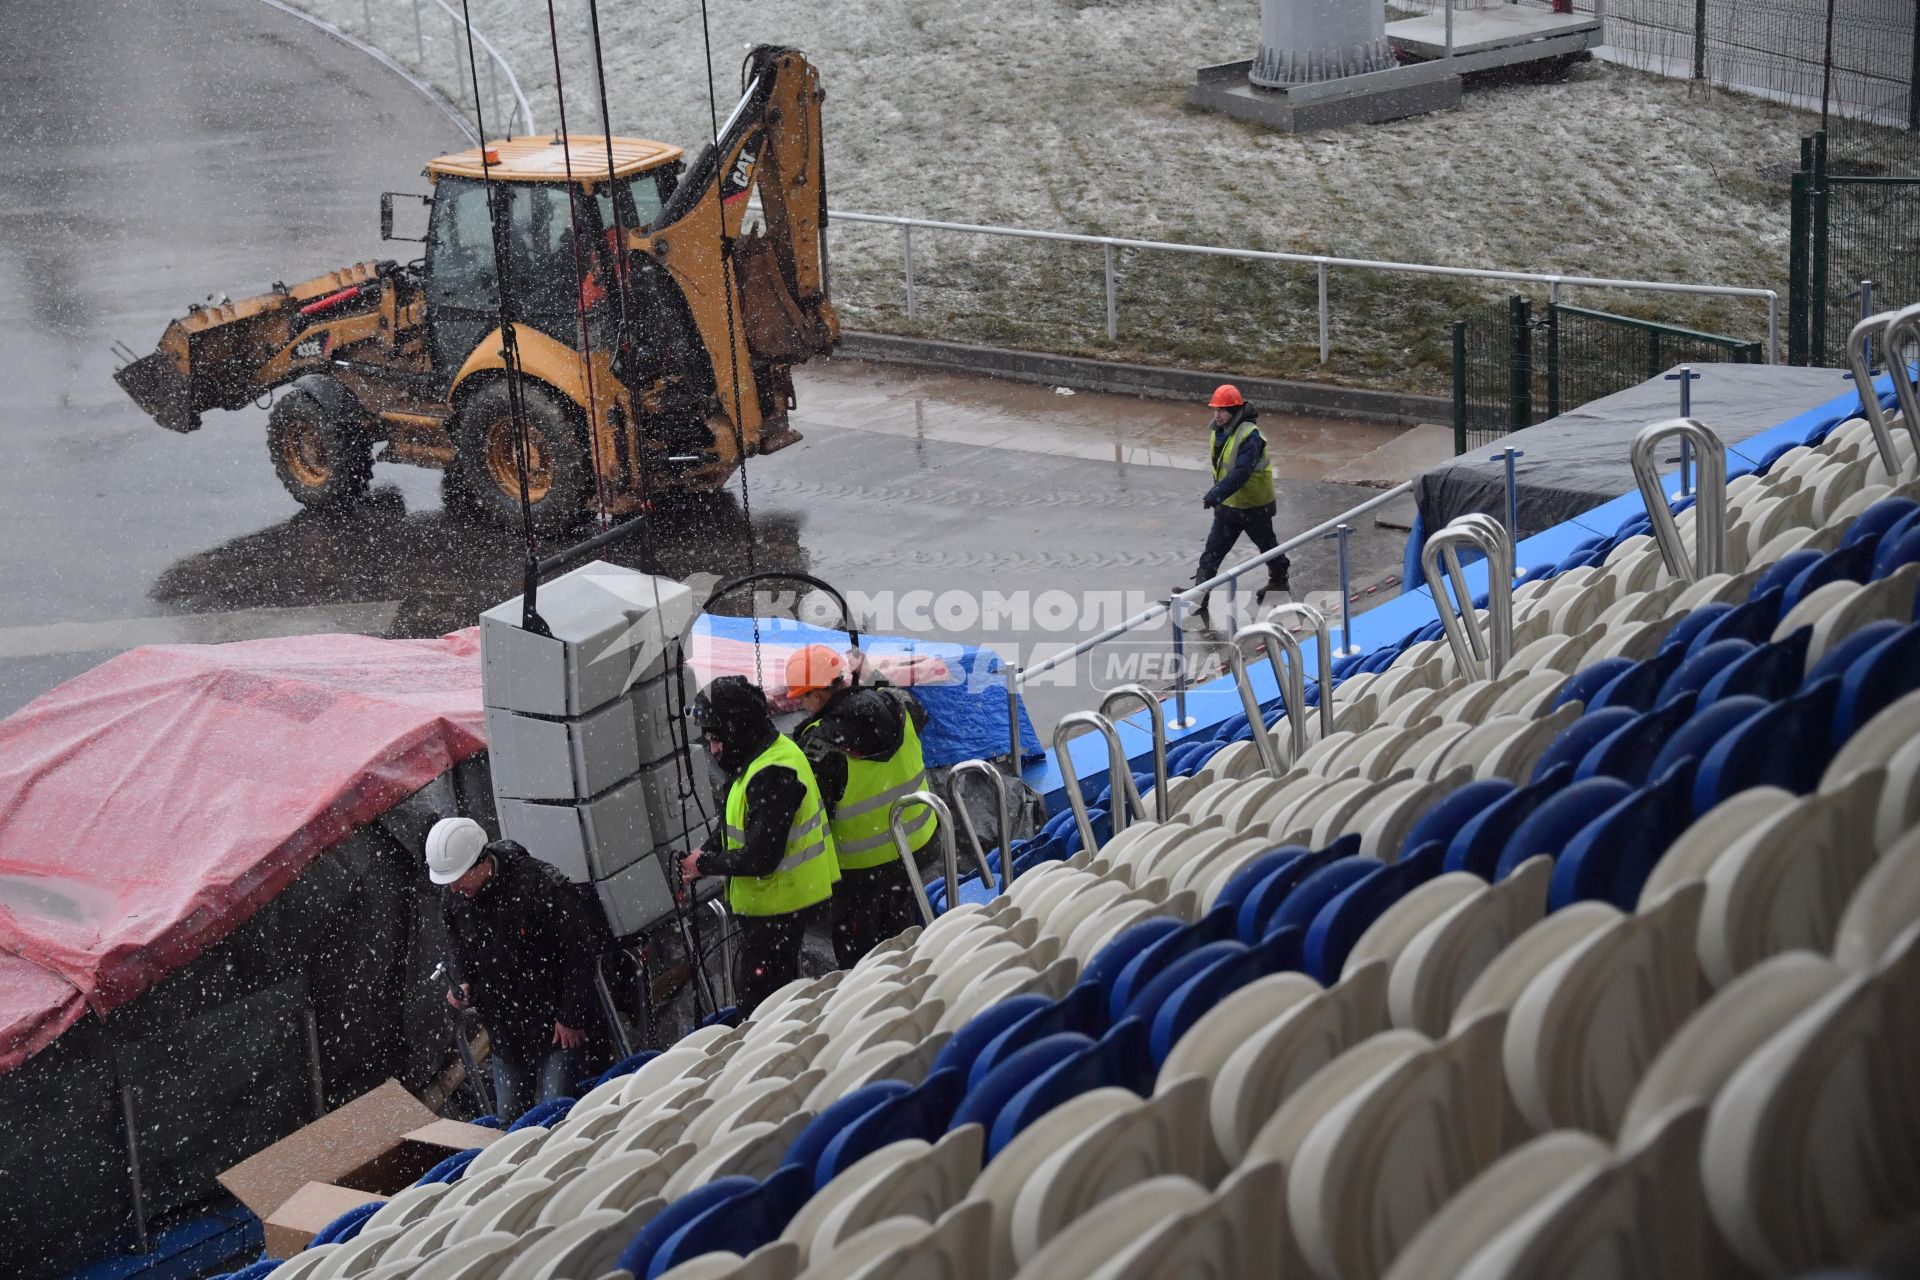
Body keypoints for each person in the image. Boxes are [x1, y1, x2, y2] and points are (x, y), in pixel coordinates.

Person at [678, 675, 838, 1014]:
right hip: (772, 911)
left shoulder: (772, 773)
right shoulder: (760, 758)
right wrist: (704, 854)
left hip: (778, 911)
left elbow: (762, 856)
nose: (714, 749)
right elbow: (737, 824)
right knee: (772, 1003)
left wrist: (705, 865)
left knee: (760, 1011)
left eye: (717, 738)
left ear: (737, 729)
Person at [428, 818, 606, 1123]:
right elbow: (456, 942)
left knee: (561, 1116)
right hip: (505, 1031)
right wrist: (463, 980)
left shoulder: (538, 885)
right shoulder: (456, 898)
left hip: (555, 1027)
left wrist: (570, 1016)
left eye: (459, 878)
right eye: (449, 882)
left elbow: (580, 951)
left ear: (481, 861)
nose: (455, 888)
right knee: (512, 1125)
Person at [786, 644, 933, 965]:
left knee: (862, 959)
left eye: (801, 697)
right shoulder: (895, 704)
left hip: (863, 870)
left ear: (816, 694)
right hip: (915, 847)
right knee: (907, 933)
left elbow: (807, 811)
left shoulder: (820, 742)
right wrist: (873, 678)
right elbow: (918, 713)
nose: (800, 704)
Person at [1182, 384, 1289, 616]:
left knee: (1268, 547)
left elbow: (1241, 472)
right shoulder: (1218, 432)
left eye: (1222, 410)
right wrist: (1220, 497)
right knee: (1213, 550)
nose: (1217, 414)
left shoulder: (1251, 437)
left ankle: (1279, 581)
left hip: (1254, 506)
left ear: (1235, 410)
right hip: (1230, 506)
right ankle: (1200, 593)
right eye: (1215, 409)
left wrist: (1215, 494)